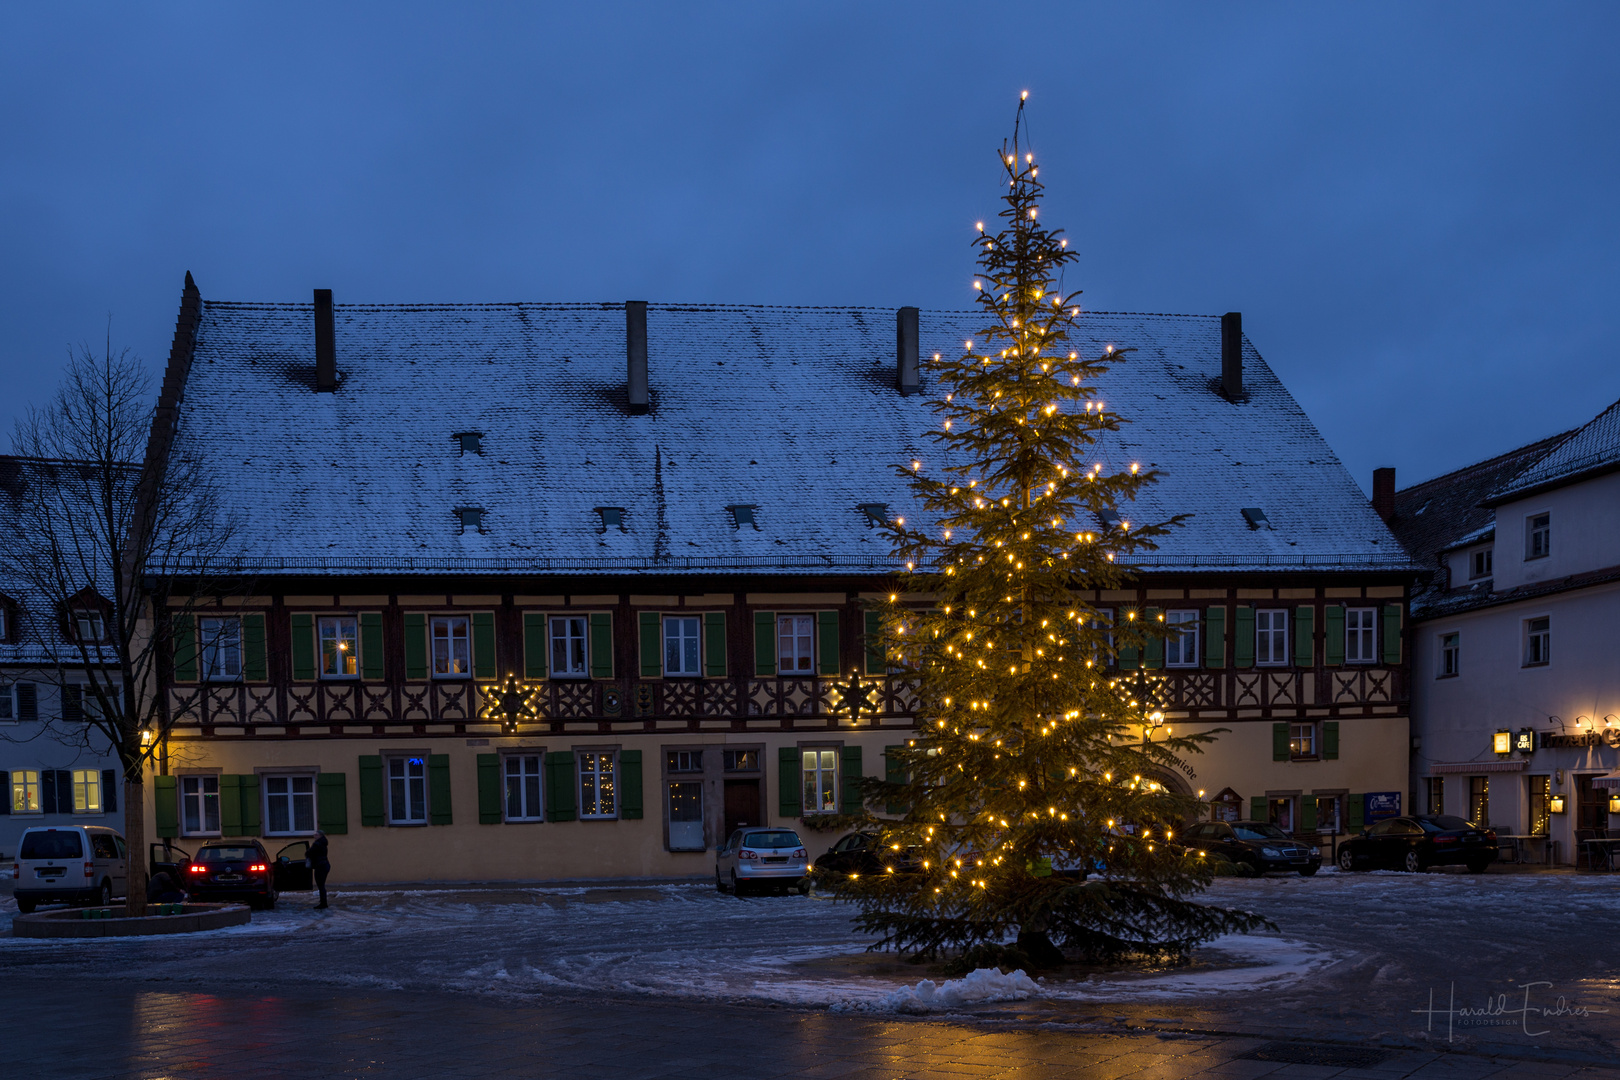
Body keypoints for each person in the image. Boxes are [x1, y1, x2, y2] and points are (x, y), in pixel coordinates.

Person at [308, 830, 331, 910]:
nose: (314, 836)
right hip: (325, 865)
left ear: (320, 836)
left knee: (321, 885)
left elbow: (309, 853)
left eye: (316, 835)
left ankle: (323, 903)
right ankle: (323, 901)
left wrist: (308, 854)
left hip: (320, 866)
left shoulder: (317, 844)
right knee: (321, 885)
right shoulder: (323, 843)